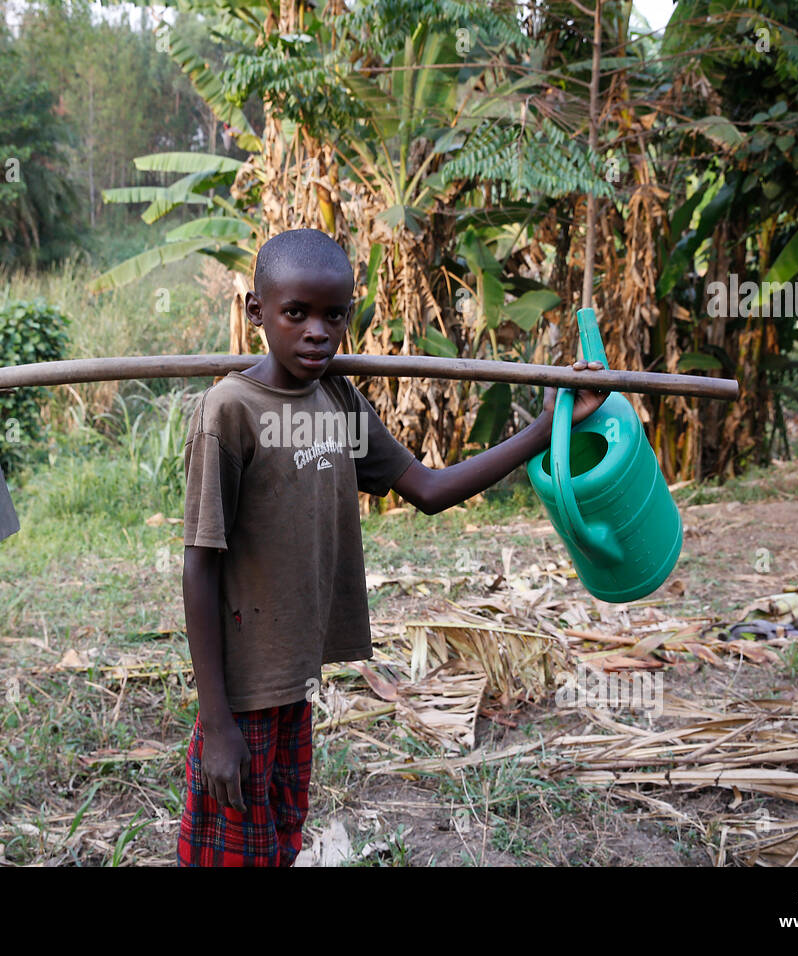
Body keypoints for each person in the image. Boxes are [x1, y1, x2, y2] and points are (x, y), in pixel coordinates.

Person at [176, 229, 608, 866]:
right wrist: (216, 725)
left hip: (294, 682)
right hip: (240, 693)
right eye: (296, 313)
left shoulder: (337, 401)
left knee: (277, 846)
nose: (318, 332)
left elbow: (429, 489)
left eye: (334, 315)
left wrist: (549, 427)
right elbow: (198, 565)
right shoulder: (229, 412)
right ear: (256, 312)